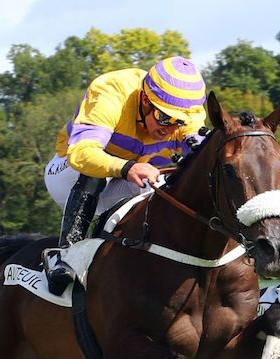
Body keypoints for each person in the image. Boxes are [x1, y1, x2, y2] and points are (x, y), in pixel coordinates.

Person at [42, 56, 208, 295]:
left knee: (167, 185)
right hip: (68, 174)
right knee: (94, 172)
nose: (169, 128)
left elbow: (204, 159)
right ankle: (65, 257)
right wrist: (128, 168)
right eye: (164, 117)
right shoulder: (111, 91)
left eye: (178, 122)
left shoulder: (190, 113)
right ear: (145, 100)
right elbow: (81, 154)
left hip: (123, 184)